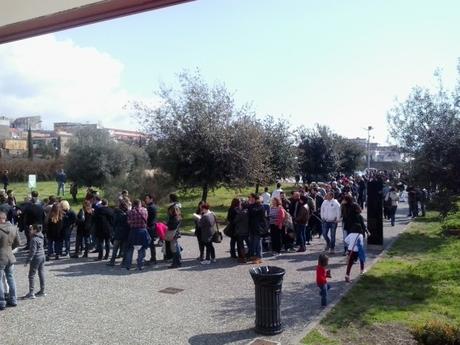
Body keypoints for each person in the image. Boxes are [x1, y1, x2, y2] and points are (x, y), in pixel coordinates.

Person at [0, 211, 20, 310]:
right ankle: (13, 299)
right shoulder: (13, 228)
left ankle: (1, 301)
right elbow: (18, 243)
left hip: (0, 258)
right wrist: (9, 249)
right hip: (10, 256)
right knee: (11, 278)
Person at [23, 224, 46, 299]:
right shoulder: (41, 235)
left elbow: (32, 251)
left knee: (31, 275)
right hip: (42, 256)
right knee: (41, 273)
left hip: (36, 258)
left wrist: (28, 260)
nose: (30, 230)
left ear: (35, 230)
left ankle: (31, 293)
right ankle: (42, 291)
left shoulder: (34, 239)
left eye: (31, 229)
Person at [108, 199, 130, 267]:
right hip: (126, 233)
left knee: (115, 249)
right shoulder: (128, 214)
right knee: (125, 249)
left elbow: (114, 224)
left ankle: (112, 262)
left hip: (118, 233)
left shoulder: (117, 214)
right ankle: (123, 263)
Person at [247, 193, 267, 264]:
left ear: (255, 199)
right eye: (249, 198)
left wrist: (249, 205)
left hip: (258, 227)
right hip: (252, 227)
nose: (250, 199)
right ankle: (254, 255)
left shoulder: (260, 206)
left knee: (258, 242)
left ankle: (259, 257)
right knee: (252, 242)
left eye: (251, 198)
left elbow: (253, 212)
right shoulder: (251, 205)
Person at [166, 194, 182, 269]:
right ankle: (178, 262)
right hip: (176, 228)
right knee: (176, 245)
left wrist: (167, 224)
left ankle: (176, 263)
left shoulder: (173, 207)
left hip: (173, 229)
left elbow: (174, 219)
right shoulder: (177, 206)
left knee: (173, 246)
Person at [144, 194, 158, 265]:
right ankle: (153, 258)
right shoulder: (153, 206)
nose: (146, 200)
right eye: (145, 198)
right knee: (151, 243)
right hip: (152, 226)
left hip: (150, 227)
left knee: (151, 243)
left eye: (147, 198)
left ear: (151, 199)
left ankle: (153, 259)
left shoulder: (150, 207)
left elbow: (147, 218)